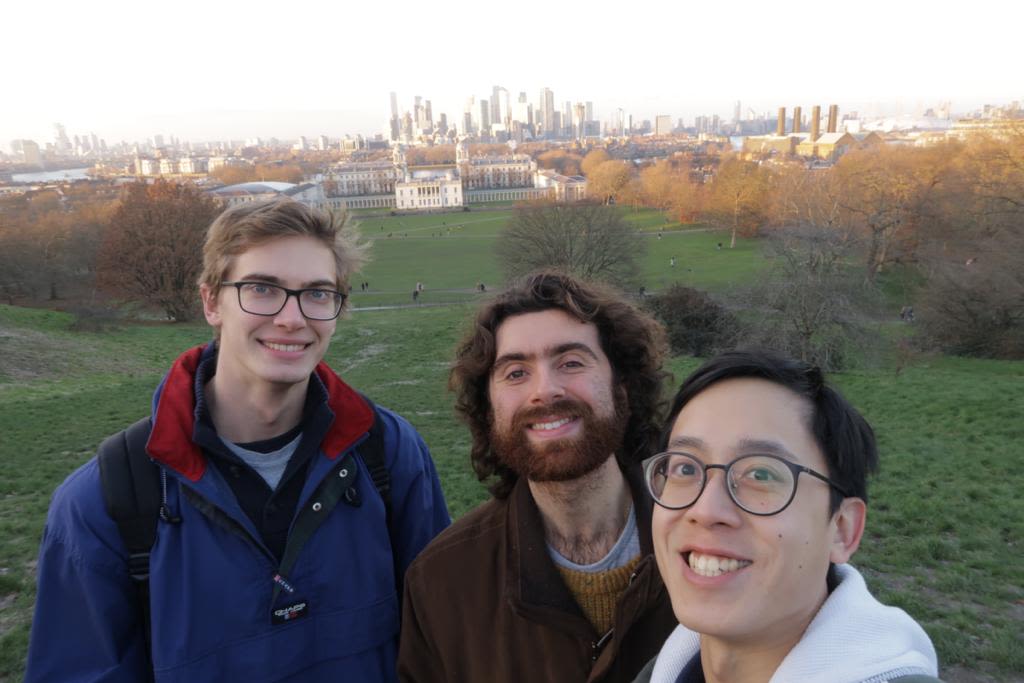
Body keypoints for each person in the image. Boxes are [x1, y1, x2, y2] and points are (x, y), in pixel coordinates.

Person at [26, 198, 451, 682]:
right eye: (263, 289)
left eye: (317, 293)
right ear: (211, 302)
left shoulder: (390, 453)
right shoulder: (103, 502)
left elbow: (444, 638)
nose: (292, 318)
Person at [398, 271, 678, 683]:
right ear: (489, 408)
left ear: (623, 387)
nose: (545, 391)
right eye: (515, 373)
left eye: (571, 362)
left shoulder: (707, 543)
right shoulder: (441, 583)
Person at [635, 350, 940, 683]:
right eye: (685, 467)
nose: (705, 511)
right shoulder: (663, 671)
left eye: (761, 475)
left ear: (842, 529)